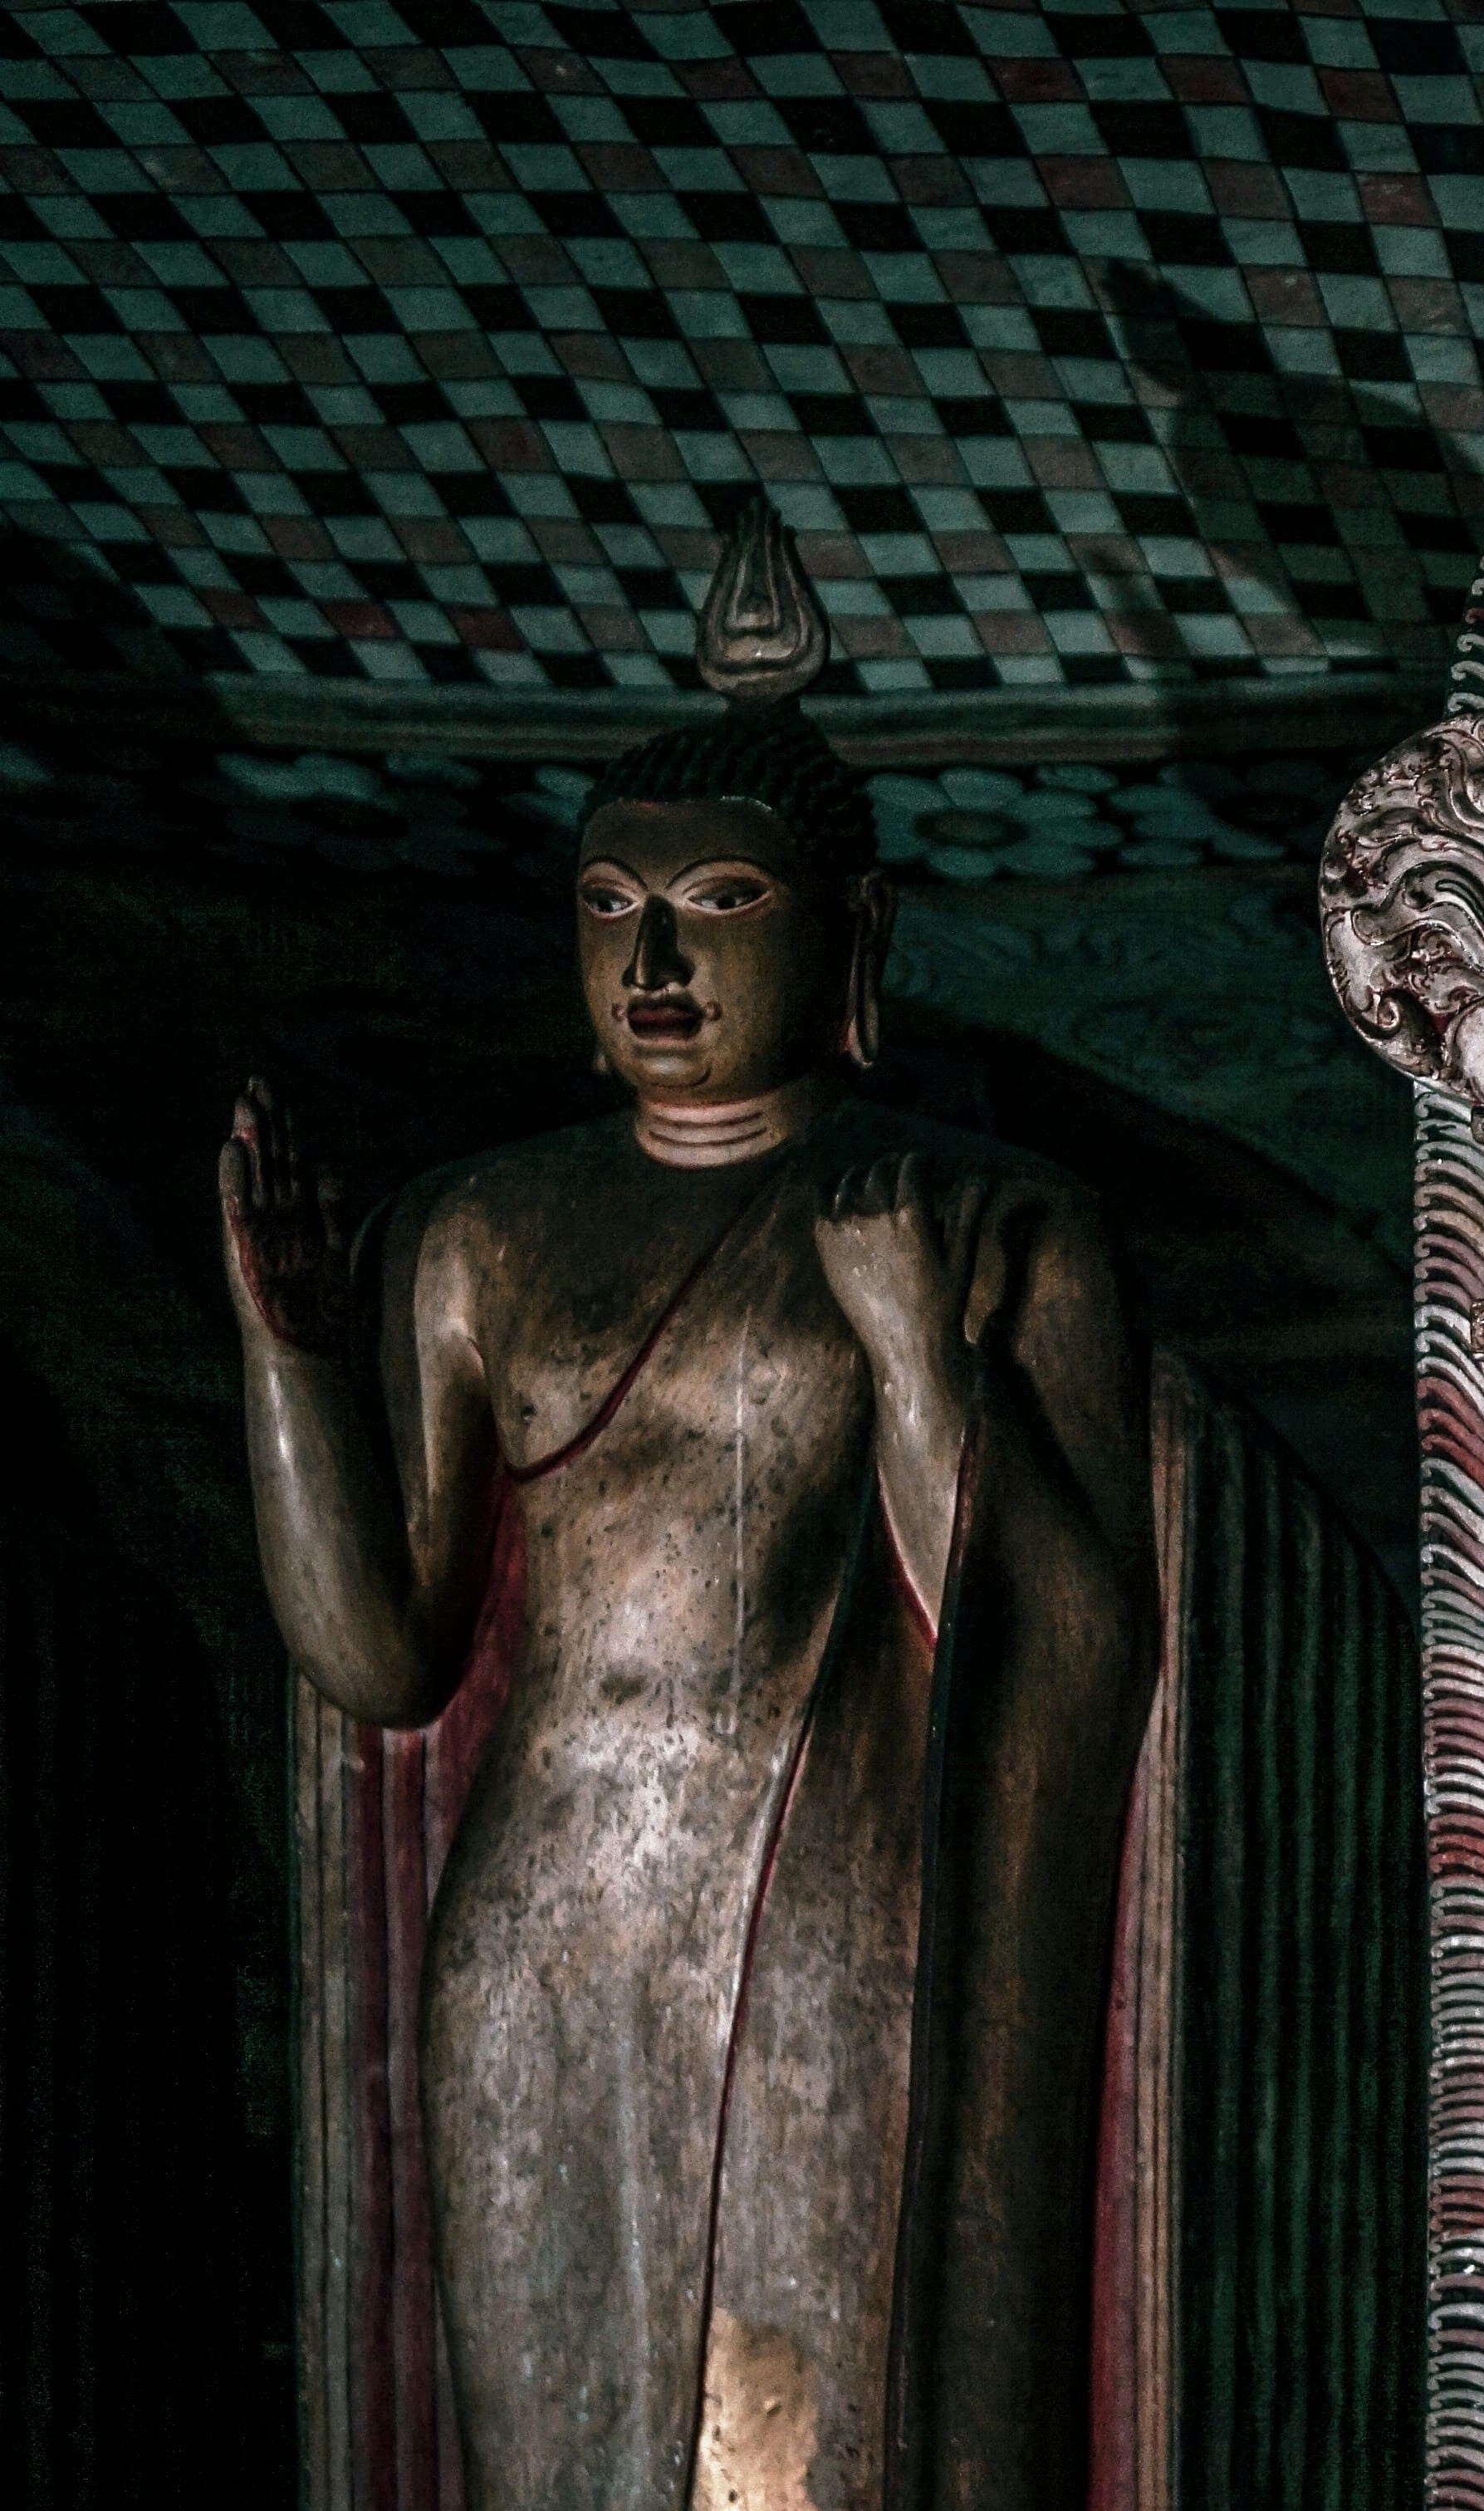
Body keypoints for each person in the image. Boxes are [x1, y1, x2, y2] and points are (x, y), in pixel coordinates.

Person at [221, 506, 1152, 2511]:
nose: (652, 963)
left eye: (719, 903)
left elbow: (1070, 1654)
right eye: (610, 908)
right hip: (541, 1916)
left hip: (822, 1902)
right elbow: (380, 1656)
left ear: (853, 937)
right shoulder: (474, 1232)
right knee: (551, 2455)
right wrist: (289, 1364)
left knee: (792, 2447)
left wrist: (920, 1360)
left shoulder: (989, 1223)